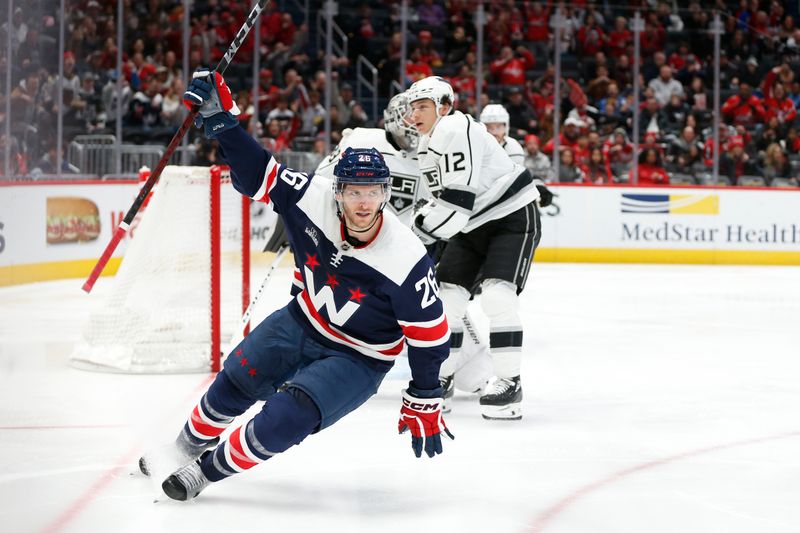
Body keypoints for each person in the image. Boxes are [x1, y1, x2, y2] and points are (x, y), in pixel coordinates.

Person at [142, 69, 454, 501]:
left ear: (386, 193)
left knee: (290, 415)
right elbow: (258, 173)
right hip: (302, 320)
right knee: (235, 380)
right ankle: (184, 447)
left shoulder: (406, 257)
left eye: (374, 192)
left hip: (359, 356)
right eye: (354, 192)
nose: (365, 204)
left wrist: (425, 393)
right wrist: (225, 125)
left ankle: (204, 472)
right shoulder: (313, 197)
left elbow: (430, 337)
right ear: (337, 191)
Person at [406, 76, 543, 421]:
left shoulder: (454, 128)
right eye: (413, 107)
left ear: (444, 106)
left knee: (498, 296)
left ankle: (510, 383)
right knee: (445, 302)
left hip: (510, 218)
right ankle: (443, 377)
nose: (415, 114)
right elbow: (444, 205)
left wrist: (415, 239)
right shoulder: (427, 144)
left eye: (422, 106)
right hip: (471, 226)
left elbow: (455, 204)